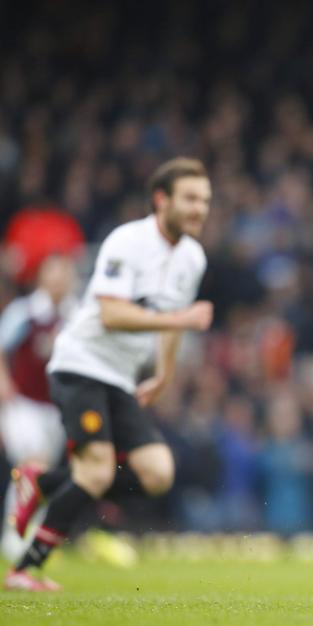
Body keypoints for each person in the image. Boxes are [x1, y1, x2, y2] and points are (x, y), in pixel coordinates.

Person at [4, 157, 214, 591]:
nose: (200, 209)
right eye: (191, 198)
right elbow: (112, 312)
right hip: (81, 364)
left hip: (119, 377)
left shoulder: (193, 258)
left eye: (205, 201)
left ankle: (41, 481)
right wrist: (179, 322)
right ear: (162, 200)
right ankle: (25, 569)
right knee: (96, 472)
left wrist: (165, 375)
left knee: (158, 472)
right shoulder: (128, 242)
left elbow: (173, 317)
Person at [0, 255, 77, 562]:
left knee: (41, 473)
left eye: (64, 273)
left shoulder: (75, 314)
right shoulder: (26, 312)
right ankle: (15, 534)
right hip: (24, 404)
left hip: (56, 408)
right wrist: (3, 381)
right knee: (32, 464)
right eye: (54, 273)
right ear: (42, 277)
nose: (59, 280)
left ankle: (30, 532)